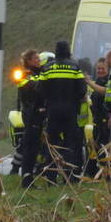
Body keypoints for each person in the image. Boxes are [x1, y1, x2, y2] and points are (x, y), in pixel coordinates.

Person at [40, 40, 86, 182]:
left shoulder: (47, 68)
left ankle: (51, 177)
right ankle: (70, 177)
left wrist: (48, 100)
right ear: (68, 51)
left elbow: (40, 90)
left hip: (53, 110)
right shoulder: (75, 67)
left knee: (52, 144)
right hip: (71, 111)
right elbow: (82, 89)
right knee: (70, 144)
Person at [17, 49, 49, 188]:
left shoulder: (40, 72)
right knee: (30, 148)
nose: (38, 60)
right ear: (28, 61)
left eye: (38, 58)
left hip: (38, 114)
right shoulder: (25, 75)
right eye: (35, 58)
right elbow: (33, 91)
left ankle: (29, 178)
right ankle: (26, 180)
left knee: (34, 148)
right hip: (31, 115)